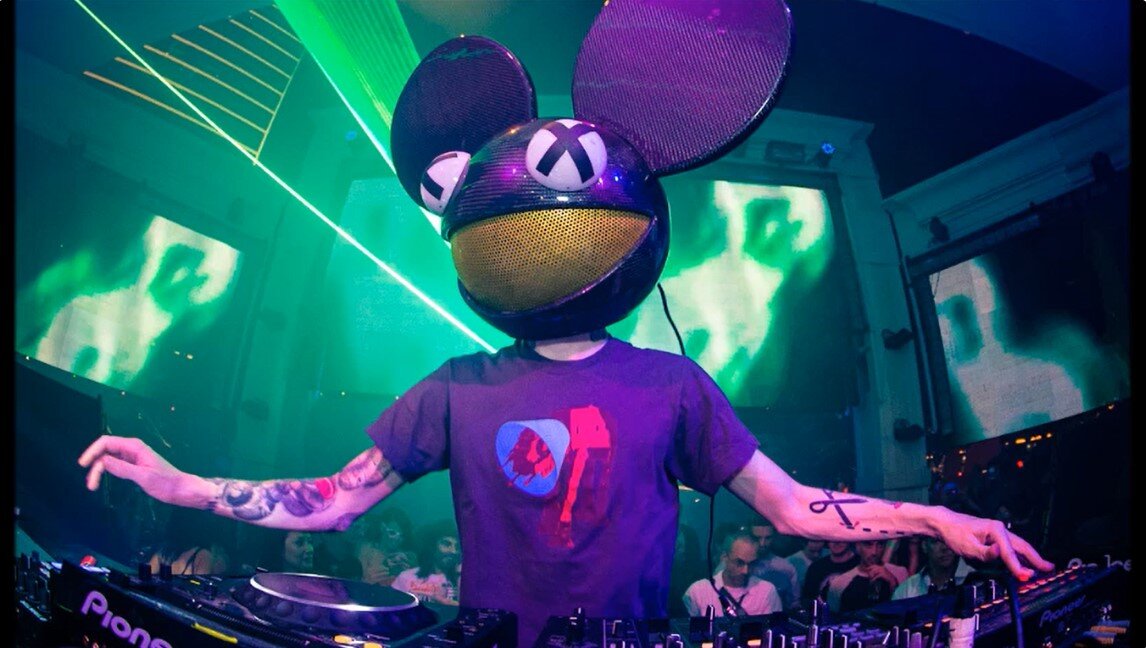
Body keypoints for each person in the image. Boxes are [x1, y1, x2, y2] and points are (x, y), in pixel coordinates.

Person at [76, 4, 1052, 647]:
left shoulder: (674, 387)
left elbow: (794, 510)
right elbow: (332, 501)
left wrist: (937, 519)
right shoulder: (453, 389)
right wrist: (182, 484)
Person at [683, 531, 782, 617]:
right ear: (724, 557)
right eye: (739, 562)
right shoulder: (698, 591)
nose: (745, 571)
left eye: (751, 564)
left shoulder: (767, 591)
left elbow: (777, 629)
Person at [823, 539, 908, 614]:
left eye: (880, 544)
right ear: (858, 546)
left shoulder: (899, 572)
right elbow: (833, 620)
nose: (874, 552)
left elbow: (906, 614)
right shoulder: (840, 583)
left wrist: (892, 582)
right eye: (868, 544)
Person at [391, 528, 462, 607]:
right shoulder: (406, 577)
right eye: (446, 544)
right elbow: (393, 606)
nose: (453, 551)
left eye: (456, 547)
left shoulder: (461, 578)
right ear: (433, 546)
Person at [892, 536, 979, 600]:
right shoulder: (907, 589)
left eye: (949, 540)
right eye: (936, 541)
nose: (944, 548)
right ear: (924, 546)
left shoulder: (977, 582)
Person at [746, 518, 800, 611]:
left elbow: (794, 603)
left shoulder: (785, 567)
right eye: (757, 538)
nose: (762, 543)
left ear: (774, 537)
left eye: (767, 538)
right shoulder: (736, 564)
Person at [800, 541, 859, 610]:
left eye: (841, 539)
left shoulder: (862, 564)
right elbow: (807, 600)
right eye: (832, 539)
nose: (836, 543)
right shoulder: (816, 567)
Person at [784, 537, 826, 604]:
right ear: (804, 544)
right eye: (812, 551)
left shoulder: (829, 555)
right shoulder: (790, 562)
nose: (816, 555)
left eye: (819, 551)